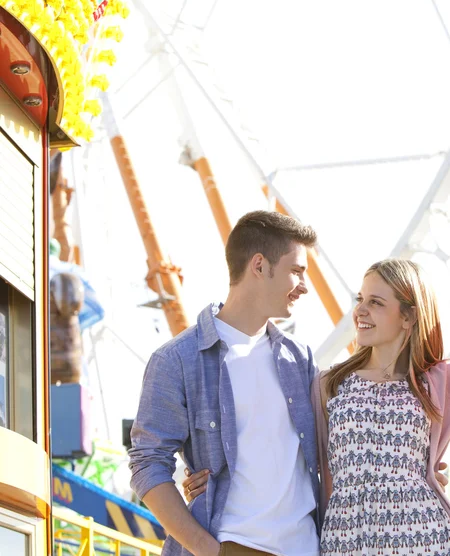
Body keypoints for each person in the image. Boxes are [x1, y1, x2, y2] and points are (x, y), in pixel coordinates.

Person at [128, 210, 321, 556]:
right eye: (297, 271)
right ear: (259, 266)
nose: (304, 286)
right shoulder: (177, 360)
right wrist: (209, 550)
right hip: (232, 546)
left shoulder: (301, 359)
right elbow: (147, 463)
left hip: (307, 547)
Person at [311, 258, 450, 555]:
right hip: (345, 542)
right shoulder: (329, 383)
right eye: (360, 299)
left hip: (423, 541)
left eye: (375, 302)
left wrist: (425, 473)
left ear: (408, 317)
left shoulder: (437, 383)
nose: (360, 310)